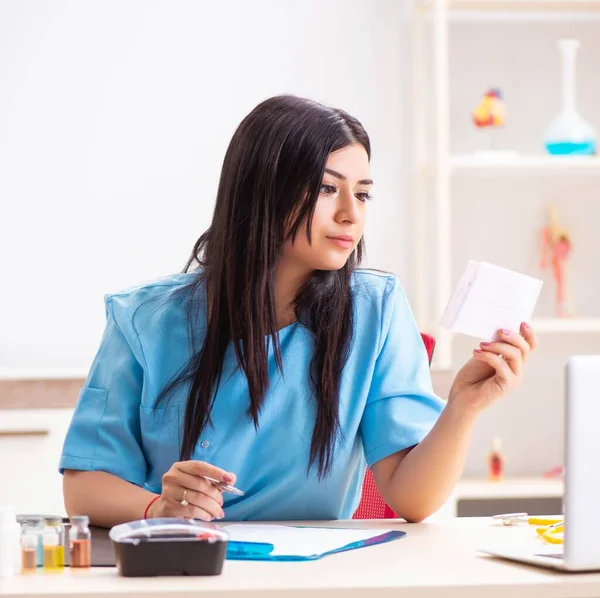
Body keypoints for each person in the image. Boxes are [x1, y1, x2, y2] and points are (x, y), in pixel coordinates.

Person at [61, 95, 538, 528]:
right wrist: (157, 508)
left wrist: (463, 407)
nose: (352, 213)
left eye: (364, 193)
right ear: (263, 190)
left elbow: (412, 500)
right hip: (183, 569)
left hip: (318, 575)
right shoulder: (144, 317)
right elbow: (84, 486)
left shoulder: (376, 310)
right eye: (328, 189)